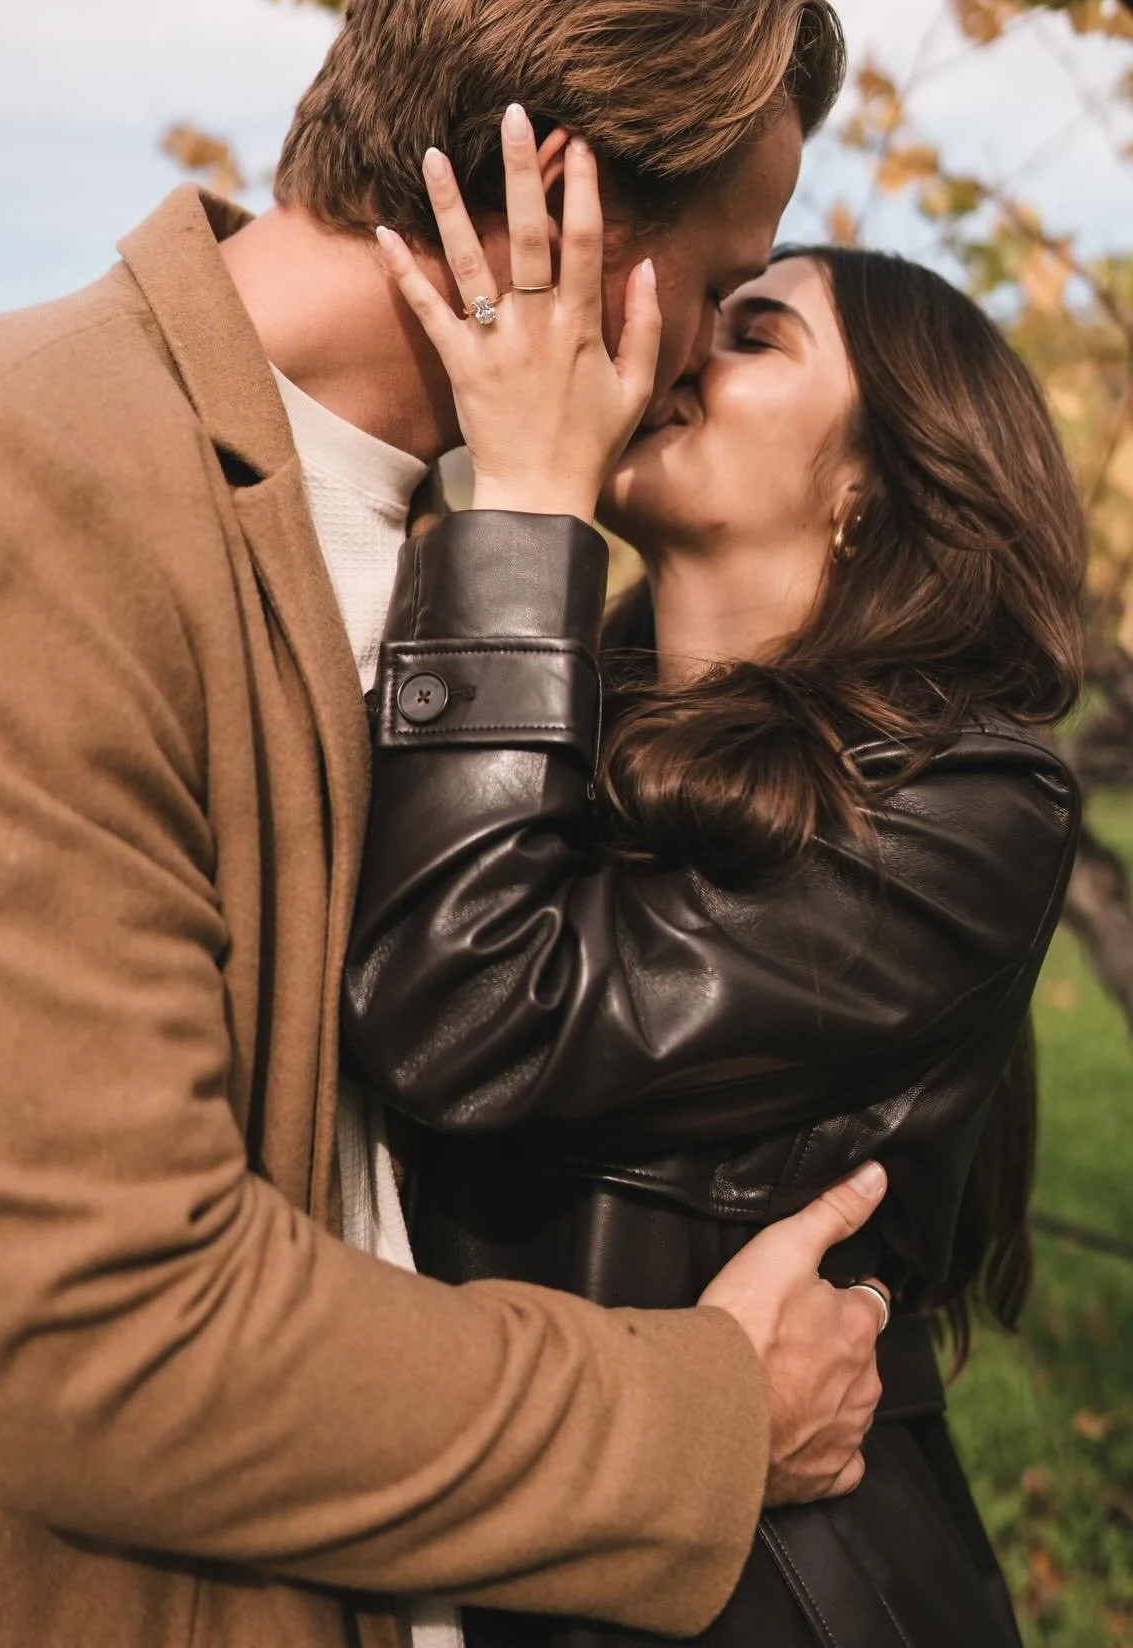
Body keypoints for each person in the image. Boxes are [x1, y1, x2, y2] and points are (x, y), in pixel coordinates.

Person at [0, 0, 889, 1648]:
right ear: (557, 204)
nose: (705, 362)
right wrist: (712, 1415)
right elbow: (101, 1339)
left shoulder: (455, 566)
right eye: (717, 289)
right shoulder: (2, 468)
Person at [346, 118, 1085, 1646]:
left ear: (875, 484)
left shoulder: (972, 807)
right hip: (468, 1543)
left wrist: (529, 508)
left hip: (763, 1593)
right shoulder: (548, 721)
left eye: (754, 332)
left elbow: (474, 1012)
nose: (671, 343)